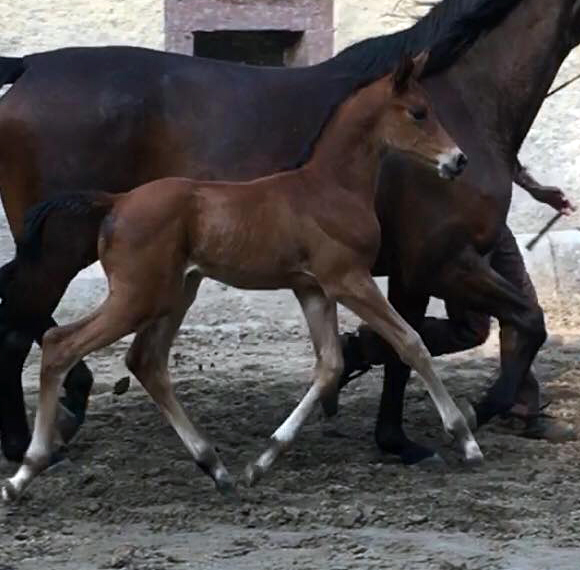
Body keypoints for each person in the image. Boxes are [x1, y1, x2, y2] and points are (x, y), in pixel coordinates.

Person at [341, 159, 577, 442]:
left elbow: (492, 144)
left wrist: (533, 187)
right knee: (473, 329)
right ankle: (364, 347)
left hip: (490, 216)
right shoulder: (432, 116)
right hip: (451, 222)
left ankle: (520, 408)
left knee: (523, 310)